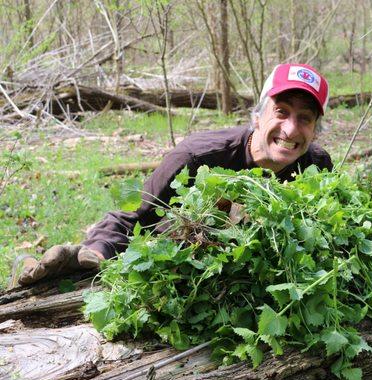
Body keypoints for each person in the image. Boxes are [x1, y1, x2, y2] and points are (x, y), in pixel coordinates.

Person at [16, 63, 333, 286]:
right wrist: (98, 249)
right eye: (281, 112)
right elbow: (137, 216)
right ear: (258, 115)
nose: (291, 128)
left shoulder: (316, 169)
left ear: (315, 131)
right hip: (186, 263)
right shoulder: (198, 157)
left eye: (305, 118)